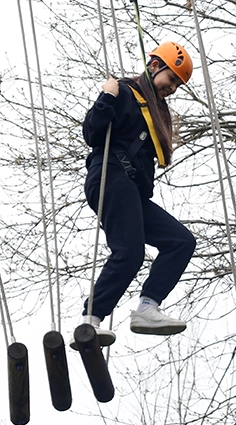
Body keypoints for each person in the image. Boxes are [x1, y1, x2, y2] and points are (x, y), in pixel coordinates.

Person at [80, 42, 197, 336]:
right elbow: (92, 132)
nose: (173, 88)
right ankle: (90, 321)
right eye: (172, 79)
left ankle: (148, 308)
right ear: (155, 66)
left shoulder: (154, 109)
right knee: (129, 253)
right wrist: (107, 96)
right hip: (111, 177)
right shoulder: (124, 92)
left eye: (178, 85)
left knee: (181, 241)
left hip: (130, 189)